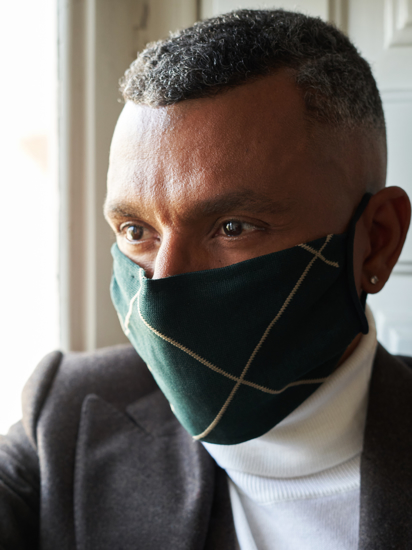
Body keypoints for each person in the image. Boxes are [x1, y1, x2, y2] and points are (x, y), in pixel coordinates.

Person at [1, 8, 411, 550]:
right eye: (136, 231)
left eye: (232, 227)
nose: (161, 292)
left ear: (376, 240)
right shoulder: (69, 417)